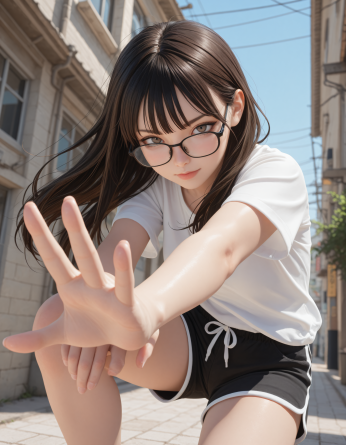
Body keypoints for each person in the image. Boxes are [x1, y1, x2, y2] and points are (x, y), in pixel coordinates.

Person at [3, 20, 321, 445]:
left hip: (268, 356)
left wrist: (147, 309)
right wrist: (101, 305)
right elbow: (120, 248)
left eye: (199, 129)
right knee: (62, 318)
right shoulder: (157, 183)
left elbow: (220, 247)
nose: (180, 159)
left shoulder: (273, 172)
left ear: (236, 107)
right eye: (153, 138)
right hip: (188, 339)